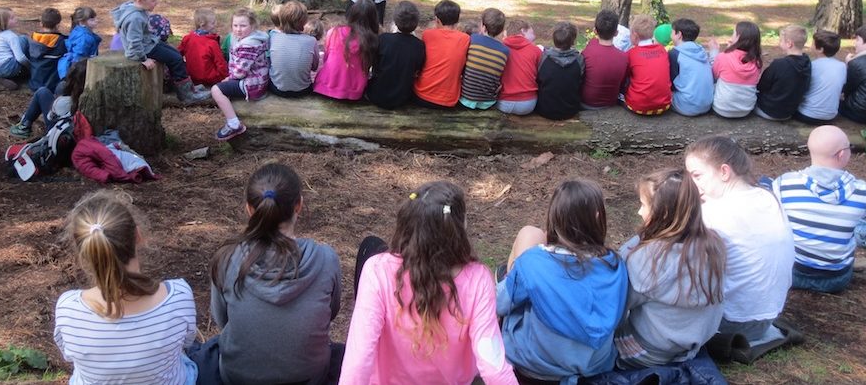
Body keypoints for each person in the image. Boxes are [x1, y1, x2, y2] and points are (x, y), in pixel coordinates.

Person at [340, 181, 517, 384]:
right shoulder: (478, 280)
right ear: (459, 228)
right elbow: (493, 364)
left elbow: (358, 360)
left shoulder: (377, 270)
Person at [197, 163, 342, 385]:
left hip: (238, 378)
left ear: (249, 208)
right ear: (299, 205)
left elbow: (222, 319)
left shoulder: (227, 258)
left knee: (201, 354)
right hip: (310, 378)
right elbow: (331, 312)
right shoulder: (326, 258)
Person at [54, 190, 198, 385]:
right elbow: (187, 343)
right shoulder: (179, 296)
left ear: (84, 251)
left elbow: (69, 356)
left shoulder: (68, 308)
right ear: (138, 235)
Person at [497, 179, 628, 381]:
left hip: (537, 366)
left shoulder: (533, 262)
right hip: (595, 366)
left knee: (516, 273)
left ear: (555, 217)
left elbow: (499, 303)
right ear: (597, 217)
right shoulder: (615, 265)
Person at [684, 136, 794, 350]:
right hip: (768, 317)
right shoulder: (768, 197)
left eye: (697, 176)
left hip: (730, 321)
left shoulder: (712, 212)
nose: (692, 185)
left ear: (724, 171)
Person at [615, 169, 725, 368]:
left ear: (663, 212)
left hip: (648, 351)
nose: (639, 212)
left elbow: (617, 308)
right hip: (691, 346)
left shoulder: (648, 259)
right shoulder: (714, 244)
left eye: (643, 205)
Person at [771, 125, 866, 293]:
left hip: (792, 273)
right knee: (857, 223)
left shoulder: (785, 184)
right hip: (835, 279)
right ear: (842, 155)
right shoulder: (860, 191)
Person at [110, 0, 209, 103]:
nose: (156, 3)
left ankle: (188, 87)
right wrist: (143, 59)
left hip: (149, 43)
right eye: (153, 1)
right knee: (175, 59)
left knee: (176, 54)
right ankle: (186, 95)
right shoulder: (135, 18)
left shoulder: (137, 8)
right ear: (140, 1)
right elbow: (134, 43)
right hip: (143, 50)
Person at [211, 8, 269, 141]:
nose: (238, 29)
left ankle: (234, 124)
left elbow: (240, 72)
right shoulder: (242, 38)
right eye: (235, 25)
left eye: (243, 26)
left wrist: (229, 78)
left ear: (253, 26)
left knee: (216, 90)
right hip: (255, 78)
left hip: (253, 83)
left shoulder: (249, 44)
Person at [313, 0, 379, 101]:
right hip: (354, 91)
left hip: (324, 85)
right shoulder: (372, 40)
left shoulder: (333, 32)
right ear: (374, 18)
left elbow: (326, 58)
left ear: (352, 14)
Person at [365, 0, 426, 109]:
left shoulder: (383, 39)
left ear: (395, 21)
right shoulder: (419, 46)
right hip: (402, 98)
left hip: (376, 94)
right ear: (416, 23)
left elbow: (374, 64)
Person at [413, 0, 471, 108]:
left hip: (422, 95)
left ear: (437, 20)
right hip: (449, 101)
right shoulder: (465, 39)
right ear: (457, 21)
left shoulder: (427, 35)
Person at [10, 59, 88, 139]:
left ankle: (24, 126)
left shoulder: (66, 102)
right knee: (59, 88)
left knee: (42, 92)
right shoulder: (87, 96)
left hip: (61, 135)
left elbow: (50, 116)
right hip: (80, 132)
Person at [755, 25, 811, 121]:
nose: (779, 43)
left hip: (768, 110)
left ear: (789, 44)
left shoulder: (779, 64)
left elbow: (762, 86)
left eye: (781, 40)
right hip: (789, 112)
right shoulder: (807, 63)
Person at [707, 21, 762, 118]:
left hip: (721, 109)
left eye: (733, 33)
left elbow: (714, 75)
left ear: (738, 37)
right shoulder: (757, 61)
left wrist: (714, 52)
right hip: (746, 110)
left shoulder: (724, 57)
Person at [459, 8, 510, 110]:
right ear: (501, 30)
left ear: (483, 26)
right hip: (488, 102)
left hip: (465, 98)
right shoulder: (505, 50)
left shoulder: (472, 39)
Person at [269, 0, 320, 97]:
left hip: (277, 89)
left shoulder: (272, 37)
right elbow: (314, 67)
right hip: (303, 90)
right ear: (304, 21)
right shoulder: (311, 41)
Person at [623, 14, 671, 115]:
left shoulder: (631, 53)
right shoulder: (662, 50)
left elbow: (624, 75)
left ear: (634, 35)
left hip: (638, 106)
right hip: (664, 104)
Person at [535, 21, 584, 120]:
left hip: (545, 109)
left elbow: (539, 78)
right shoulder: (579, 59)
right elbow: (580, 79)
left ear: (554, 38)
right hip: (569, 110)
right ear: (573, 41)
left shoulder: (543, 57)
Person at [796, 30, 847, 124]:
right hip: (831, 116)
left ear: (820, 49)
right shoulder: (842, 66)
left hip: (807, 114)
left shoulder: (812, 66)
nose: (810, 46)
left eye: (813, 44)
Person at [581, 10, 628, 110]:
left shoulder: (587, 52)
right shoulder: (623, 57)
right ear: (616, 33)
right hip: (610, 102)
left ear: (595, 31)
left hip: (586, 101)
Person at [668, 18, 714, 117]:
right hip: (707, 104)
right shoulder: (701, 51)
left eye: (672, 32)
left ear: (679, 35)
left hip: (687, 105)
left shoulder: (675, 54)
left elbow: (670, 82)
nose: (670, 36)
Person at [497, 18, 542, 115]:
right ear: (523, 31)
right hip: (528, 103)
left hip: (503, 102)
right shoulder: (535, 50)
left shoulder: (499, 48)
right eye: (532, 32)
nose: (534, 36)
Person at [178, 8, 228, 87]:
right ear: (202, 24)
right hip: (210, 79)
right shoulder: (212, 43)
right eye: (212, 23)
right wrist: (225, 78)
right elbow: (220, 62)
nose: (215, 24)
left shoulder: (187, 38)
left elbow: (178, 54)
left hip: (192, 77)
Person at [27, 7, 68, 93]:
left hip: (35, 84)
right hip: (52, 85)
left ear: (41, 24)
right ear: (57, 25)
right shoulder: (60, 41)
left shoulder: (33, 38)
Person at [57, 7, 101, 81]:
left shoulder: (77, 31)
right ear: (82, 23)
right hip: (81, 71)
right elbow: (79, 57)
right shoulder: (84, 38)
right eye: (92, 20)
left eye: (95, 18)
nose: (96, 21)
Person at [0, 7, 29, 79]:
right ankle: (23, 73)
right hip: (9, 68)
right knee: (24, 39)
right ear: (3, 22)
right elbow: (20, 58)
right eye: (12, 18)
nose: (16, 19)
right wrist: (30, 66)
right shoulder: (11, 36)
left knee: (20, 39)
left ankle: (2, 78)